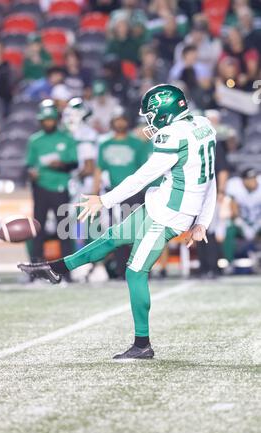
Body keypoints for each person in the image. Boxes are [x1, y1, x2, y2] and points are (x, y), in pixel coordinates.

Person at [18, 84, 217, 360]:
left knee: (135, 272)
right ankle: (56, 269)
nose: (149, 120)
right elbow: (211, 178)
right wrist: (203, 220)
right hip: (164, 202)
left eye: (152, 114)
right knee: (111, 237)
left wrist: (104, 200)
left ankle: (142, 344)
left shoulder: (174, 135)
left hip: (168, 214)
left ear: (165, 113)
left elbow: (142, 176)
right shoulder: (203, 124)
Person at [93, 110, 150, 278]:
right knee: (117, 232)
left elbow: (144, 169)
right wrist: (94, 194)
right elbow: (99, 170)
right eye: (116, 120)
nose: (119, 124)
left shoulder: (137, 143)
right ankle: (120, 268)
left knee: (139, 232)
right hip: (114, 194)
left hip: (134, 193)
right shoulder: (105, 144)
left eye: (122, 120)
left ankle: (140, 268)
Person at [26, 100, 78, 278]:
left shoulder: (66, 138)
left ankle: (67, 271)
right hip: (40, 188)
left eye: (50, 119)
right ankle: (36, 271)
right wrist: (31, 173)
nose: (48, 122)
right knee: (37, 230)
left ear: (56, 120)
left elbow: (74, 163)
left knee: (63, 230)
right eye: (45, 120)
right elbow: (28, 165)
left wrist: (60, 164)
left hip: (60, 187)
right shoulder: (35, 140)